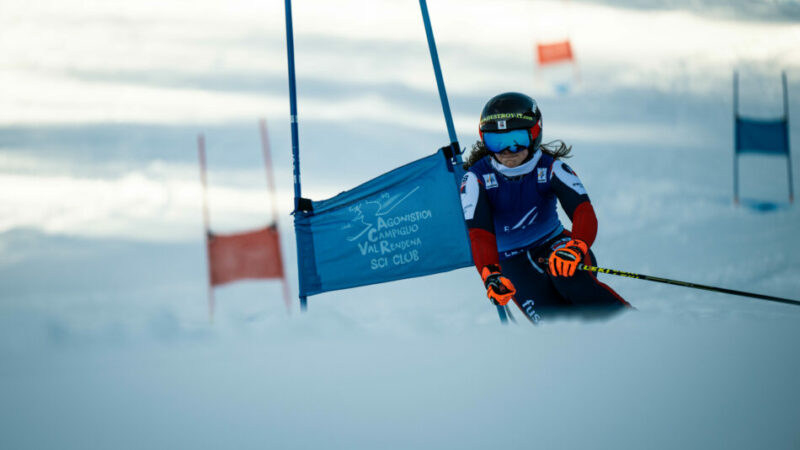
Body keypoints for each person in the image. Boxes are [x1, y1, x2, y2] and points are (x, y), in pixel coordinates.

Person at [459, 92, 631, 322]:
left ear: (534, 134)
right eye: (496, 142)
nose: (508, 151)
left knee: (567, 276)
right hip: (512, 263)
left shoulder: (551, 168)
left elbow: (583, 212)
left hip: (556, 245)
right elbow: (479, 234)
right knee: (556, 325)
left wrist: (576, 247)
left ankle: (636, 328)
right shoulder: (475, 179)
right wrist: (491, 274)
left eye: (517, 139)